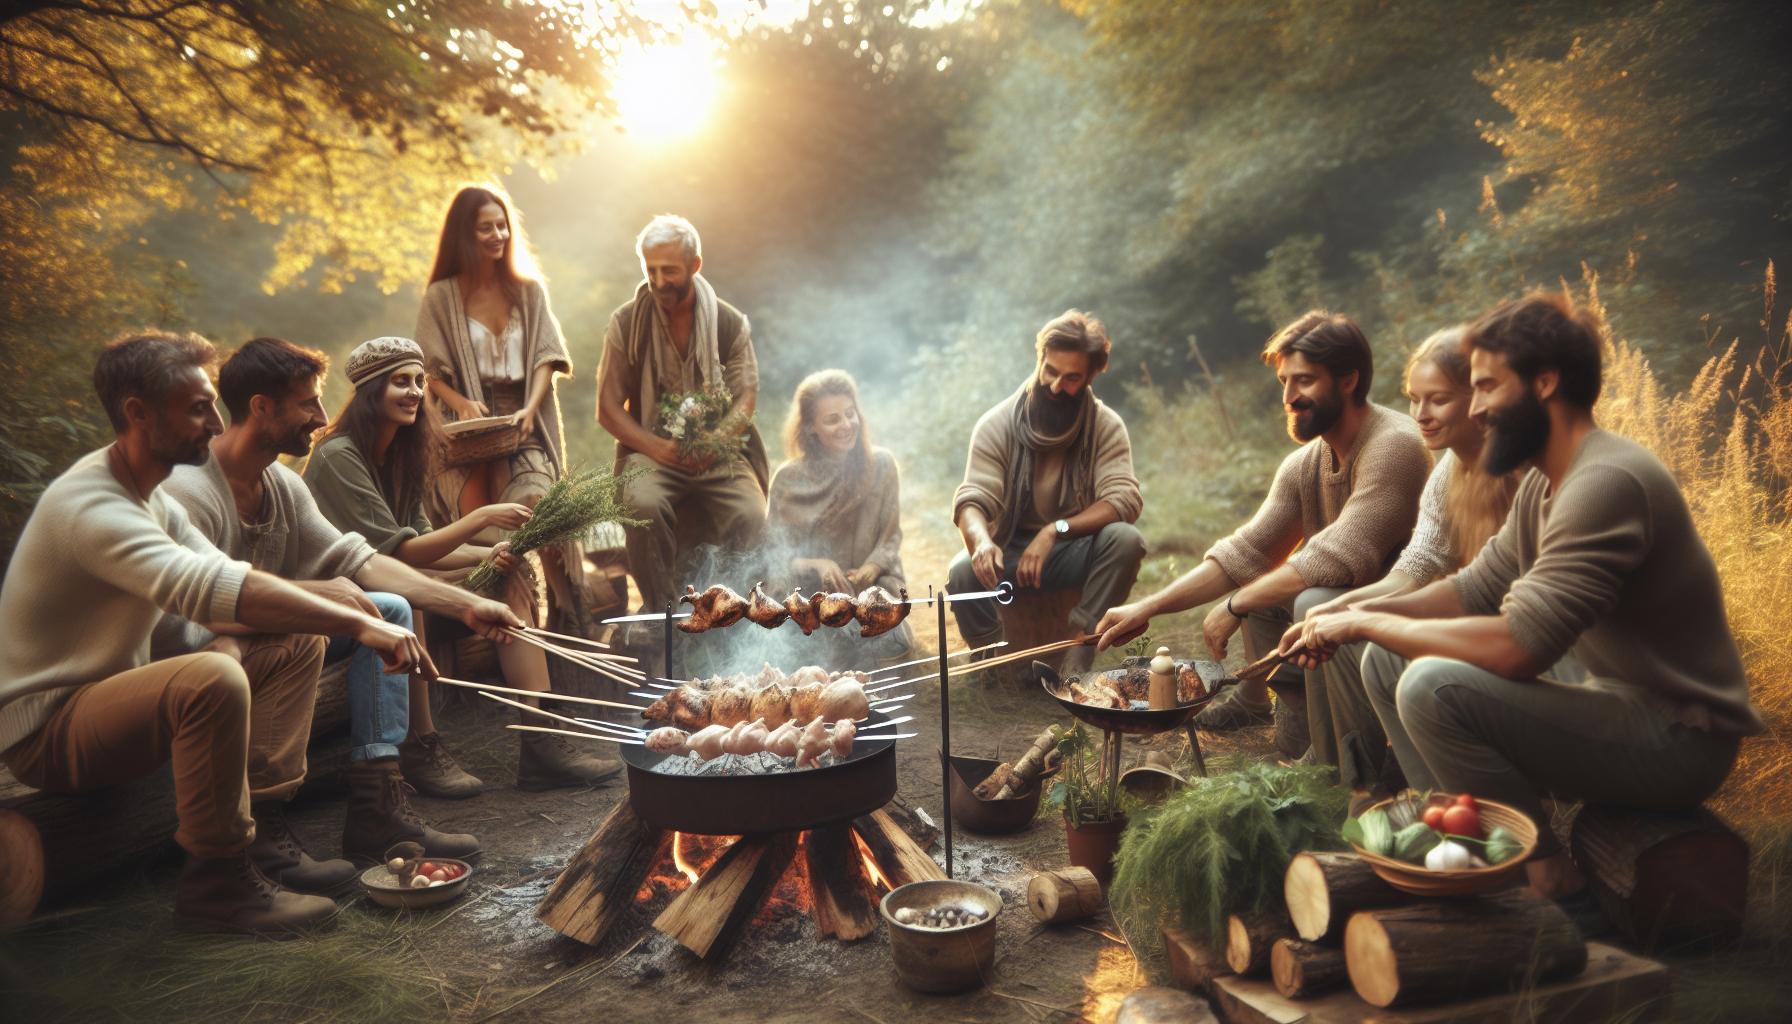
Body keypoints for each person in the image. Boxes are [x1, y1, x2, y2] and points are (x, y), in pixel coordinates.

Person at [1284, 293, 1762, 901]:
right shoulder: (1547, 476)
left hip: (1676, 738)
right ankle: (1461, 840)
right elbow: (1472, 589)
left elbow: (1519, 649)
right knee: (1386, 661)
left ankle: (1538, 873)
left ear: (1544, 383)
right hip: (1609, 701)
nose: (1476, 410)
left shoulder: (1603, 482)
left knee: (1432, 686)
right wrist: (1352, 612)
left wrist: (1363, 625)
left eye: (1486, 388)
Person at [0, 331, 433, 934]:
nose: (213, 423)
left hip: (115, 696)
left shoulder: (150, 496)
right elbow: (210, 589)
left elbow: (230, 582)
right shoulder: (94, 506)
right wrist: (362, 622)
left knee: (294, 640)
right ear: (138, 413)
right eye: (198, 407)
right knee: (212, 675)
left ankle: (264, 836)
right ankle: (218, 884)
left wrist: (362, 612)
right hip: (49, 731)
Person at [159, 339, 525, 869]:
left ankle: (377, 807)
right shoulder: (188, 492)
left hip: (270, 627)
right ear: (261, 406)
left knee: (391, 608)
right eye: (308, 404)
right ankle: (254, 837)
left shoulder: (282, 484)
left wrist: (463, 605)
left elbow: (364, 561)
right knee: (307, 631)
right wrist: (318, 596)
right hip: (202, 650)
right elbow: (199, 605)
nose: (323, 416)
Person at [1095, 311, 1430, 757]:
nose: (1290, 397)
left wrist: (1235, 604)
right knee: (1267, 589)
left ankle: (1354, 754)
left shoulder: (1395, 446)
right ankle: (1299, 731)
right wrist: (1146, 607)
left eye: (1305, 381)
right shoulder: (1306, 463)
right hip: (1345, 612)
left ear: (1348, 380)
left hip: (1410, 616)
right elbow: (1246, 552)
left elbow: (1336, 556)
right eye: (1285, 383)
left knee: (1300, 596)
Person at [302, 336, 618, 791]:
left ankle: (541, 738)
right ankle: (420, 745)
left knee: (509, 578)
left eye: (417, 382)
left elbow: (424, 542)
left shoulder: (402, 454)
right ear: (371, 391)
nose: (413, 392)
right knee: (404, 598)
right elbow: (396, 555)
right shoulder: (339, 457)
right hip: (345, 597)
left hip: (398, 574)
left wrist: (490, 555)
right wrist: (482, 520)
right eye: (399, 382)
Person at [1284, 327, 1520, 797]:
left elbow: (1487, 594)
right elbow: (1414, 570)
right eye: (1414, 399)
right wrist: (1337, 612)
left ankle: (1447, 804)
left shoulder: (1522, 471)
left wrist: (1357, 617)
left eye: (1437, 400)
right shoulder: (1449, 471)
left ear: (1480, 399)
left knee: (1366, 639)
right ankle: (1360, 790)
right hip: (1470, 623)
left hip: (1518, 641)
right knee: (1325, 615)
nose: (1420, 416)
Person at [414, 185, 587, 633]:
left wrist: (531, 408)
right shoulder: (440, 296)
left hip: (520, 419)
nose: (497, 235)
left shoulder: (528, 292)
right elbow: (427, 369)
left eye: (502, 225)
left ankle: (567, 613)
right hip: (464, 429)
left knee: (539, 502)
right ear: (463, 236)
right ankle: (486, 621)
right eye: (485, 228)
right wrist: (460, 404)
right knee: (477, 525)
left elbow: (547, 356)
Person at [597, 214, 769, 654]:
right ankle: (663, 614)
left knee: (750, 513)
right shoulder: (626, 323)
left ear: (694, 265)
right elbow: (608, 409)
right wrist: (660, 448)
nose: (657, 280)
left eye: (668, 270)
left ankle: (733, 613)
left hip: (720, 450)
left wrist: (711, 443)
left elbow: (745, 400)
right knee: (642, 503)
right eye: (649, 270)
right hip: (652, 449)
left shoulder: (729, 323)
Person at [950, 310, 1145, 681]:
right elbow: (972, 500)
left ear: (1091, 376)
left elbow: (1123, 501)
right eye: (1050, 371)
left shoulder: (1105, 426)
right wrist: (981, 542)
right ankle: (992, 661)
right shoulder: (997, 423)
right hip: (1008, 547)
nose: (1056, 386)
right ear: (1040, 360)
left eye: (1071, 378)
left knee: (1126, 540)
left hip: (1072, 547)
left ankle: (1078, 649)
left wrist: (1054, 530)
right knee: (961, 569)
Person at [767, 370, 914, 666]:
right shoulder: (788, 479)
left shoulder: (881, 465)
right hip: (812, 594)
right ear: (810, 428)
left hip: (873, 588)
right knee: (806, 654)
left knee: (886, 643)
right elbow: (775, 557)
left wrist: (871, 568)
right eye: (833, 419)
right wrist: (817, 565)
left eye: (850, 414)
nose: (847, 425)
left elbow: (890, 537)